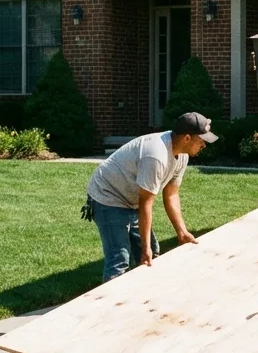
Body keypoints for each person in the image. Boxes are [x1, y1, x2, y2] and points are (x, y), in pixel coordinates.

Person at [84, 112, 216, 281]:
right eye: (202, 139)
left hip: (130, 199)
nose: (205, 144)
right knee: (119, 260)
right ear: (187, 138)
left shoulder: (182, 155)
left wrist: (182, 232)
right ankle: (110, 304)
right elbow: (146, 202)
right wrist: (145, 248)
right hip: (108, 197)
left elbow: (171, 194)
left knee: (152, 253)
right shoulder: (156, 155)